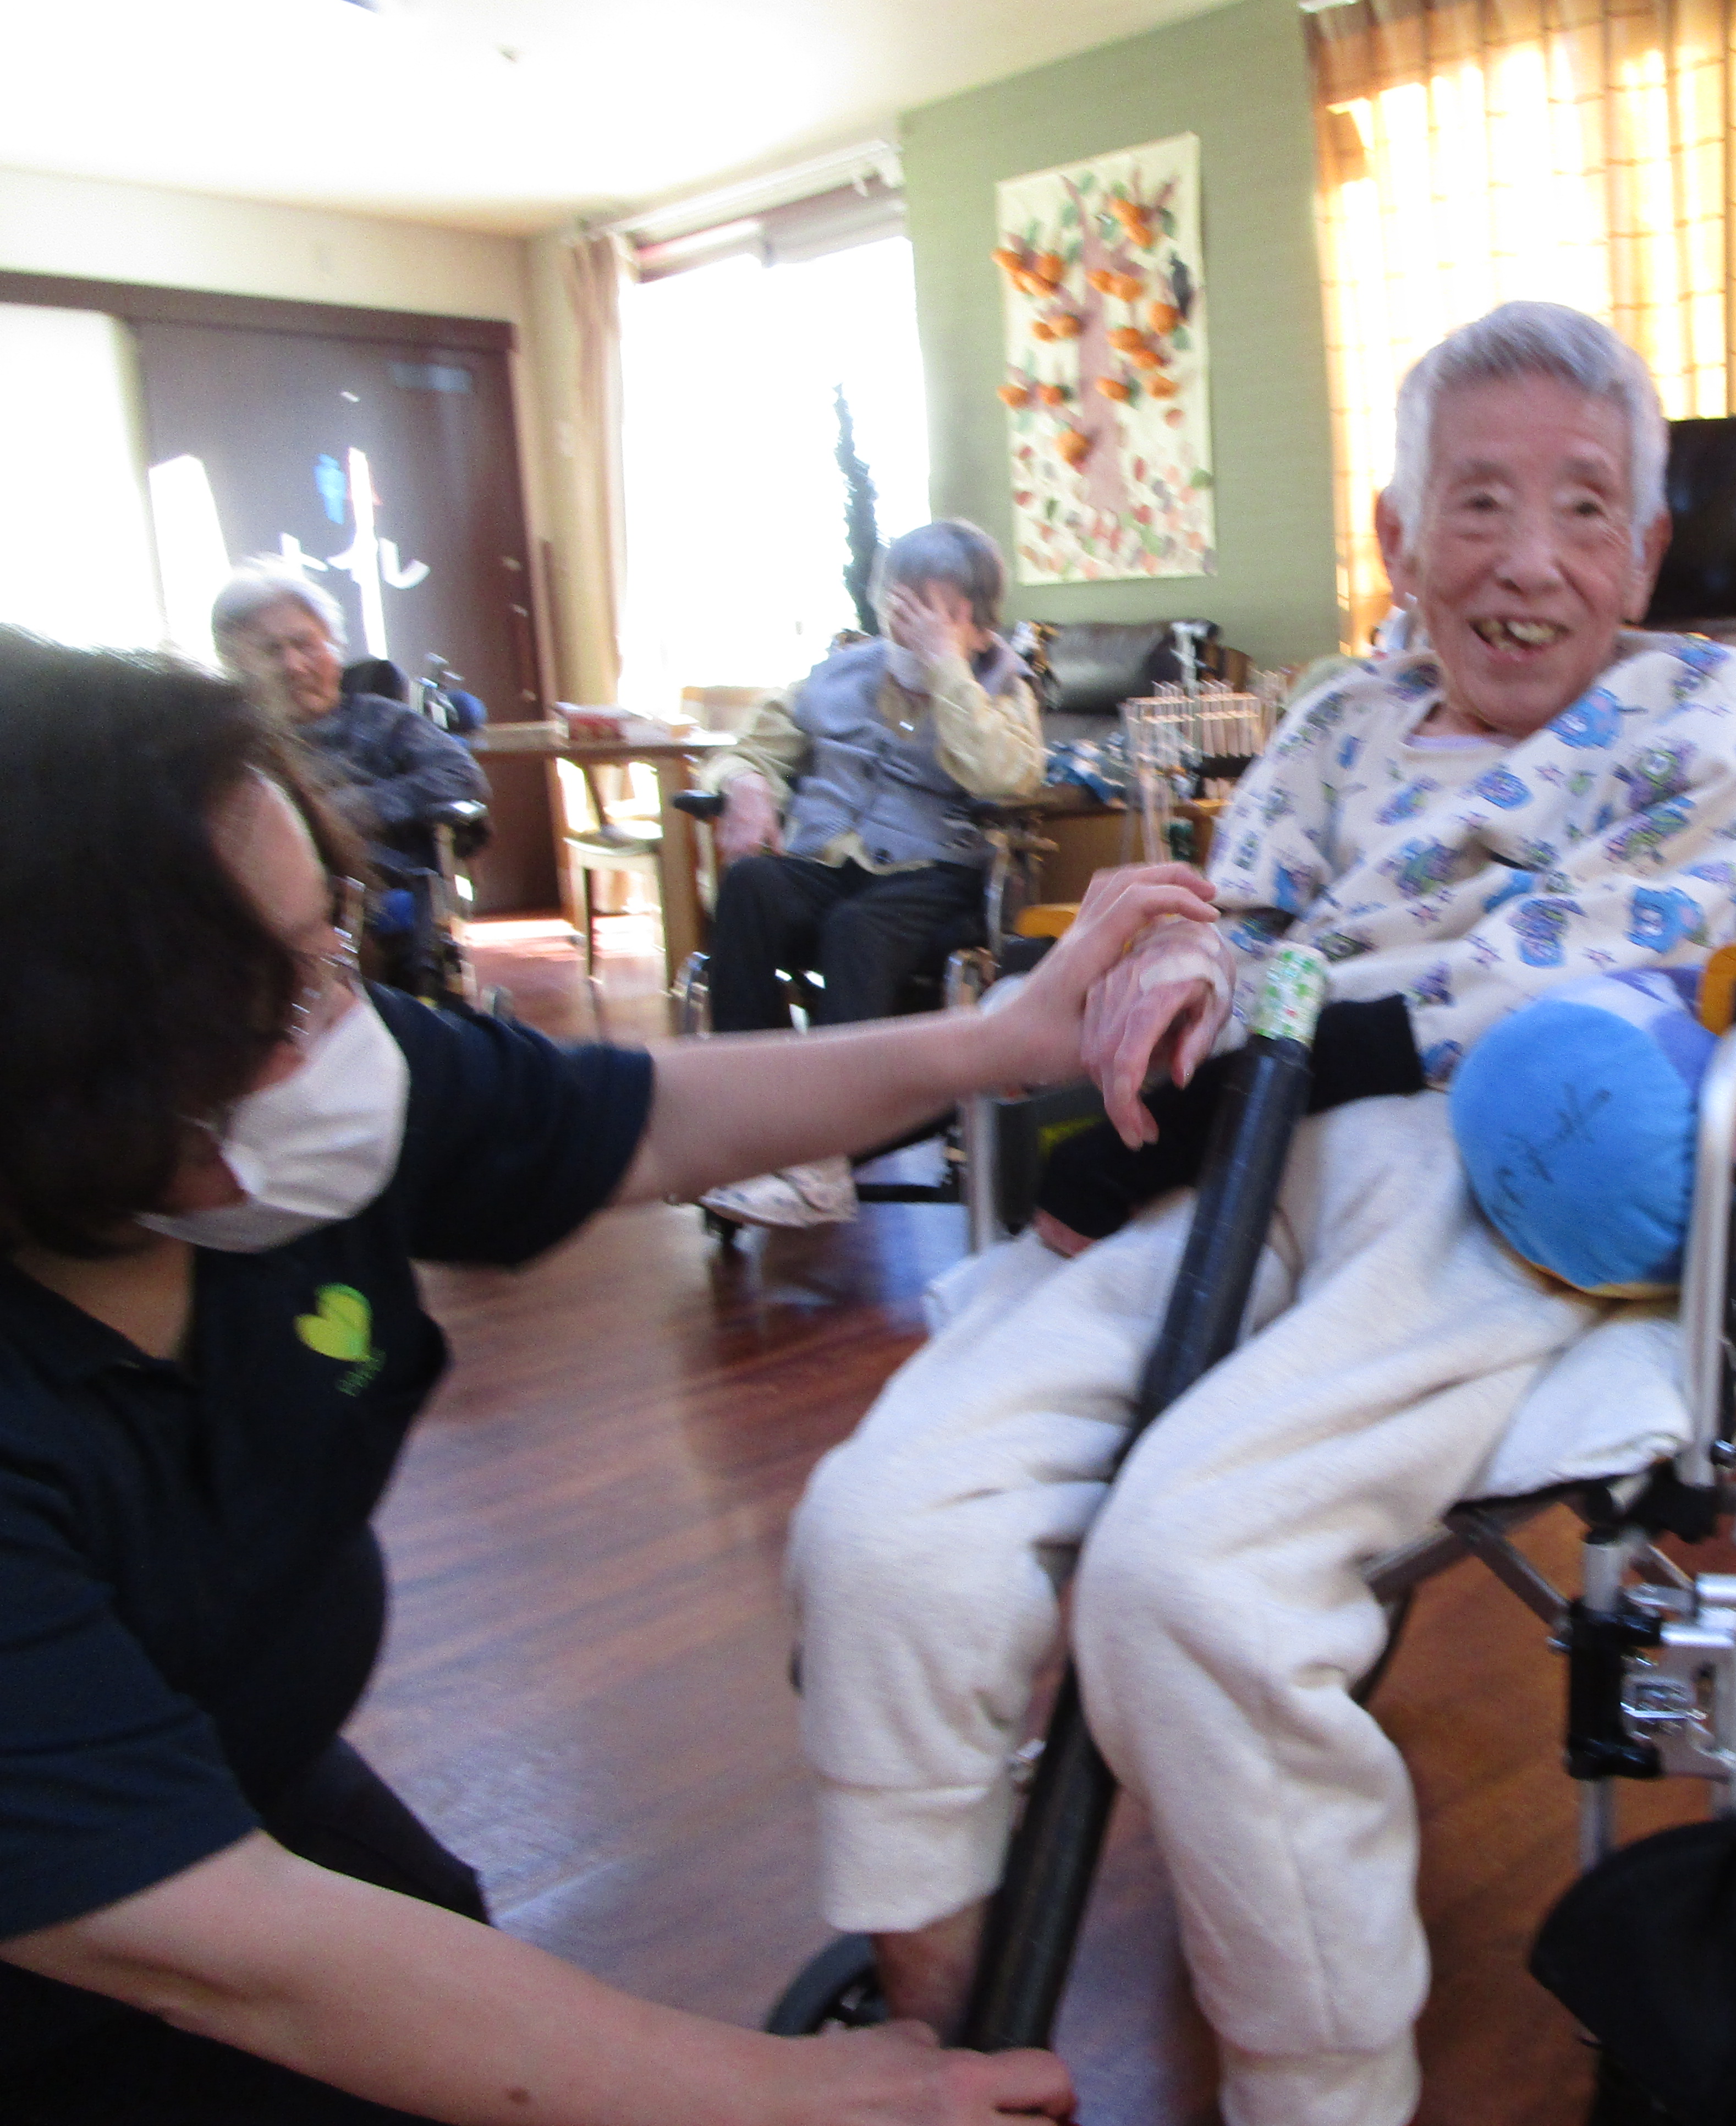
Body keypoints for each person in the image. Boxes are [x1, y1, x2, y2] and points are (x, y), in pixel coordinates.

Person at [783, 302, 1736, 2126]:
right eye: (1475, 502)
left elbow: (1607, 944)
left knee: (1190, 1576)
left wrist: (1294, 1041)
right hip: (1237, 1150)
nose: (1528, 558)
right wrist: (1171, 989)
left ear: (1647, 553)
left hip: (1491, 1167)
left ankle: (1320, 2083)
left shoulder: (1708, 707)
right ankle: (945, 2026)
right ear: (1400, 537)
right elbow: (1230, 911)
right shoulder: (1336, 716)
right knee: (880, 1525)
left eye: (1584, 509)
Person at [0, 626, 1219, 2125]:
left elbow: (634, 1118)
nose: (349, 1022)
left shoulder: (290, 1124)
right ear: (73, 1069)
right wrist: (782, 2099)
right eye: (279, 1000)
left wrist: (994, 1044)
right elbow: (224, 1946)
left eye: (335, 945)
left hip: (242, 1777)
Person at [695, 520, 1045, 1231]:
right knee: (753, 886)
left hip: (934, 877)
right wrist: (745, 785)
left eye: (937, 613)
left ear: (980, 625)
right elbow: (745, 752)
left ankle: (823, 1160)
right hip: (827, 862)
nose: (911, 628)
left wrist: (947, 667)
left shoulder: (1004, 686)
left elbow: (1003, 776)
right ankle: (753, 1128)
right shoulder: (835, 676)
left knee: (858, 929)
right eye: (901, 607)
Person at [213, 572, 491, 988]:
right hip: (261, 898)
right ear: (236, 666)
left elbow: (461, 776)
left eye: (305, 644)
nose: (294, 665)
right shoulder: (231, 744)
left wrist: (351, 810)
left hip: (371, 888)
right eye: (271, 651)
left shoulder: (383, 720)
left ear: (335, 648)